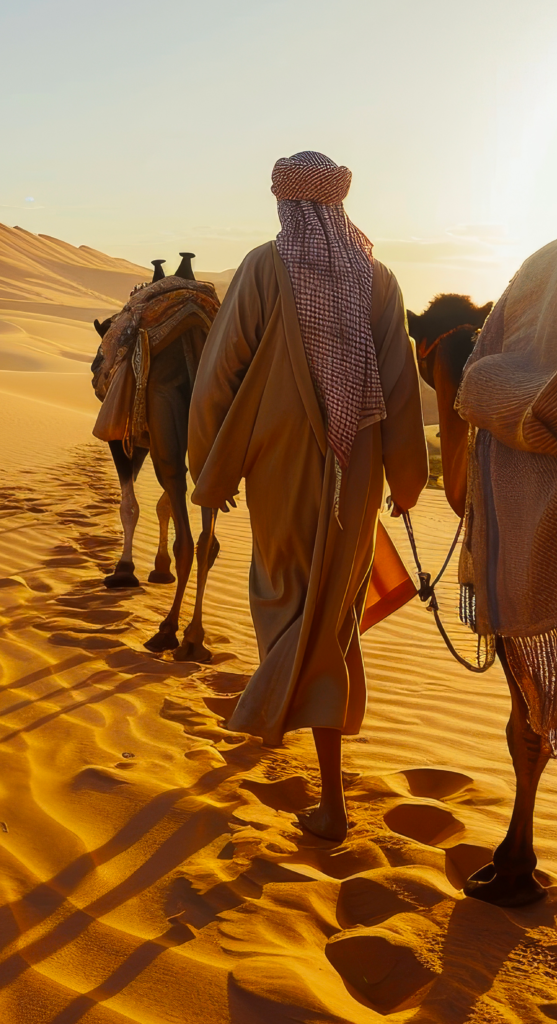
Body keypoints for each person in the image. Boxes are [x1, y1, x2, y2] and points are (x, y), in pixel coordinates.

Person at [187, 151, 429, 842]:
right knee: (331, 612)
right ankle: (324, 785)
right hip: (358, 473)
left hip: (277, 462)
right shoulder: (378, 278)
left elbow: (219, 372)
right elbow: (402, 385)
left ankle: (323, 788)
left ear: (286, 204)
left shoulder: (267, 267)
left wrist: (213, 467)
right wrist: (406, 480)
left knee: (288, 596)